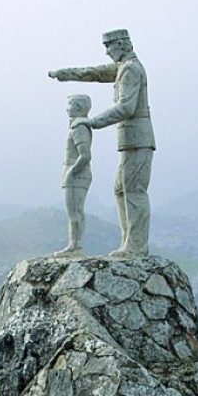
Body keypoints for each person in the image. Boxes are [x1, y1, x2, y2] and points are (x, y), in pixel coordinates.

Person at [48, 29, 154, 258]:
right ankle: (129, 242)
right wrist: (65, 74)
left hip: (138, 138)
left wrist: (92, 121)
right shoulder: (122, 68)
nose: (106, 52)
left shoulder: (130, 69)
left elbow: (126, 107)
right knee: (121, 189)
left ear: (122, 45)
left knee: (133, 190)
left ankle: (135, 246)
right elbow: (95, 73)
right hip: (129, 140)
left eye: (109, 46)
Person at [53, 94, 93, 258]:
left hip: (77, 174)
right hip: (76, 173)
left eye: (69, 105)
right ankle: (75, 244)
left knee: (74, 212)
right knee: (76, 211)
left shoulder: (79, 128)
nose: (67, 109)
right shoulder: (78, 127)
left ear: (78, 107)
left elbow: (85, 155)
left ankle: (74, 246)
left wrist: (71, 172)